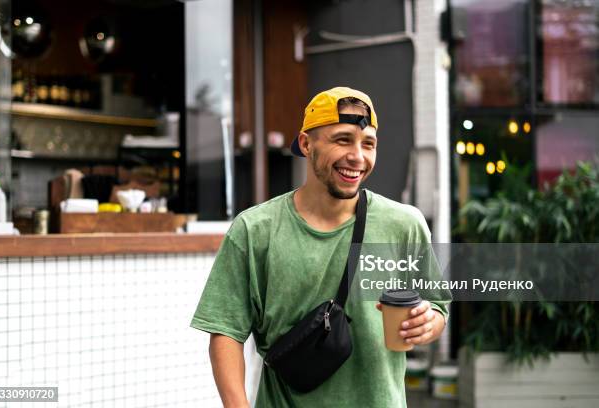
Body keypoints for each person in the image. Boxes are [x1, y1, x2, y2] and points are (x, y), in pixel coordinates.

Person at [191, 87, 451, 407]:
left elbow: (437, 307)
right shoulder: (254, 230)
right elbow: (225, 331)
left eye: (368, 143)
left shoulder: (404, 225)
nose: (358, 156)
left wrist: (428, 323)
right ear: (306, 144)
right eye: (342, 140)